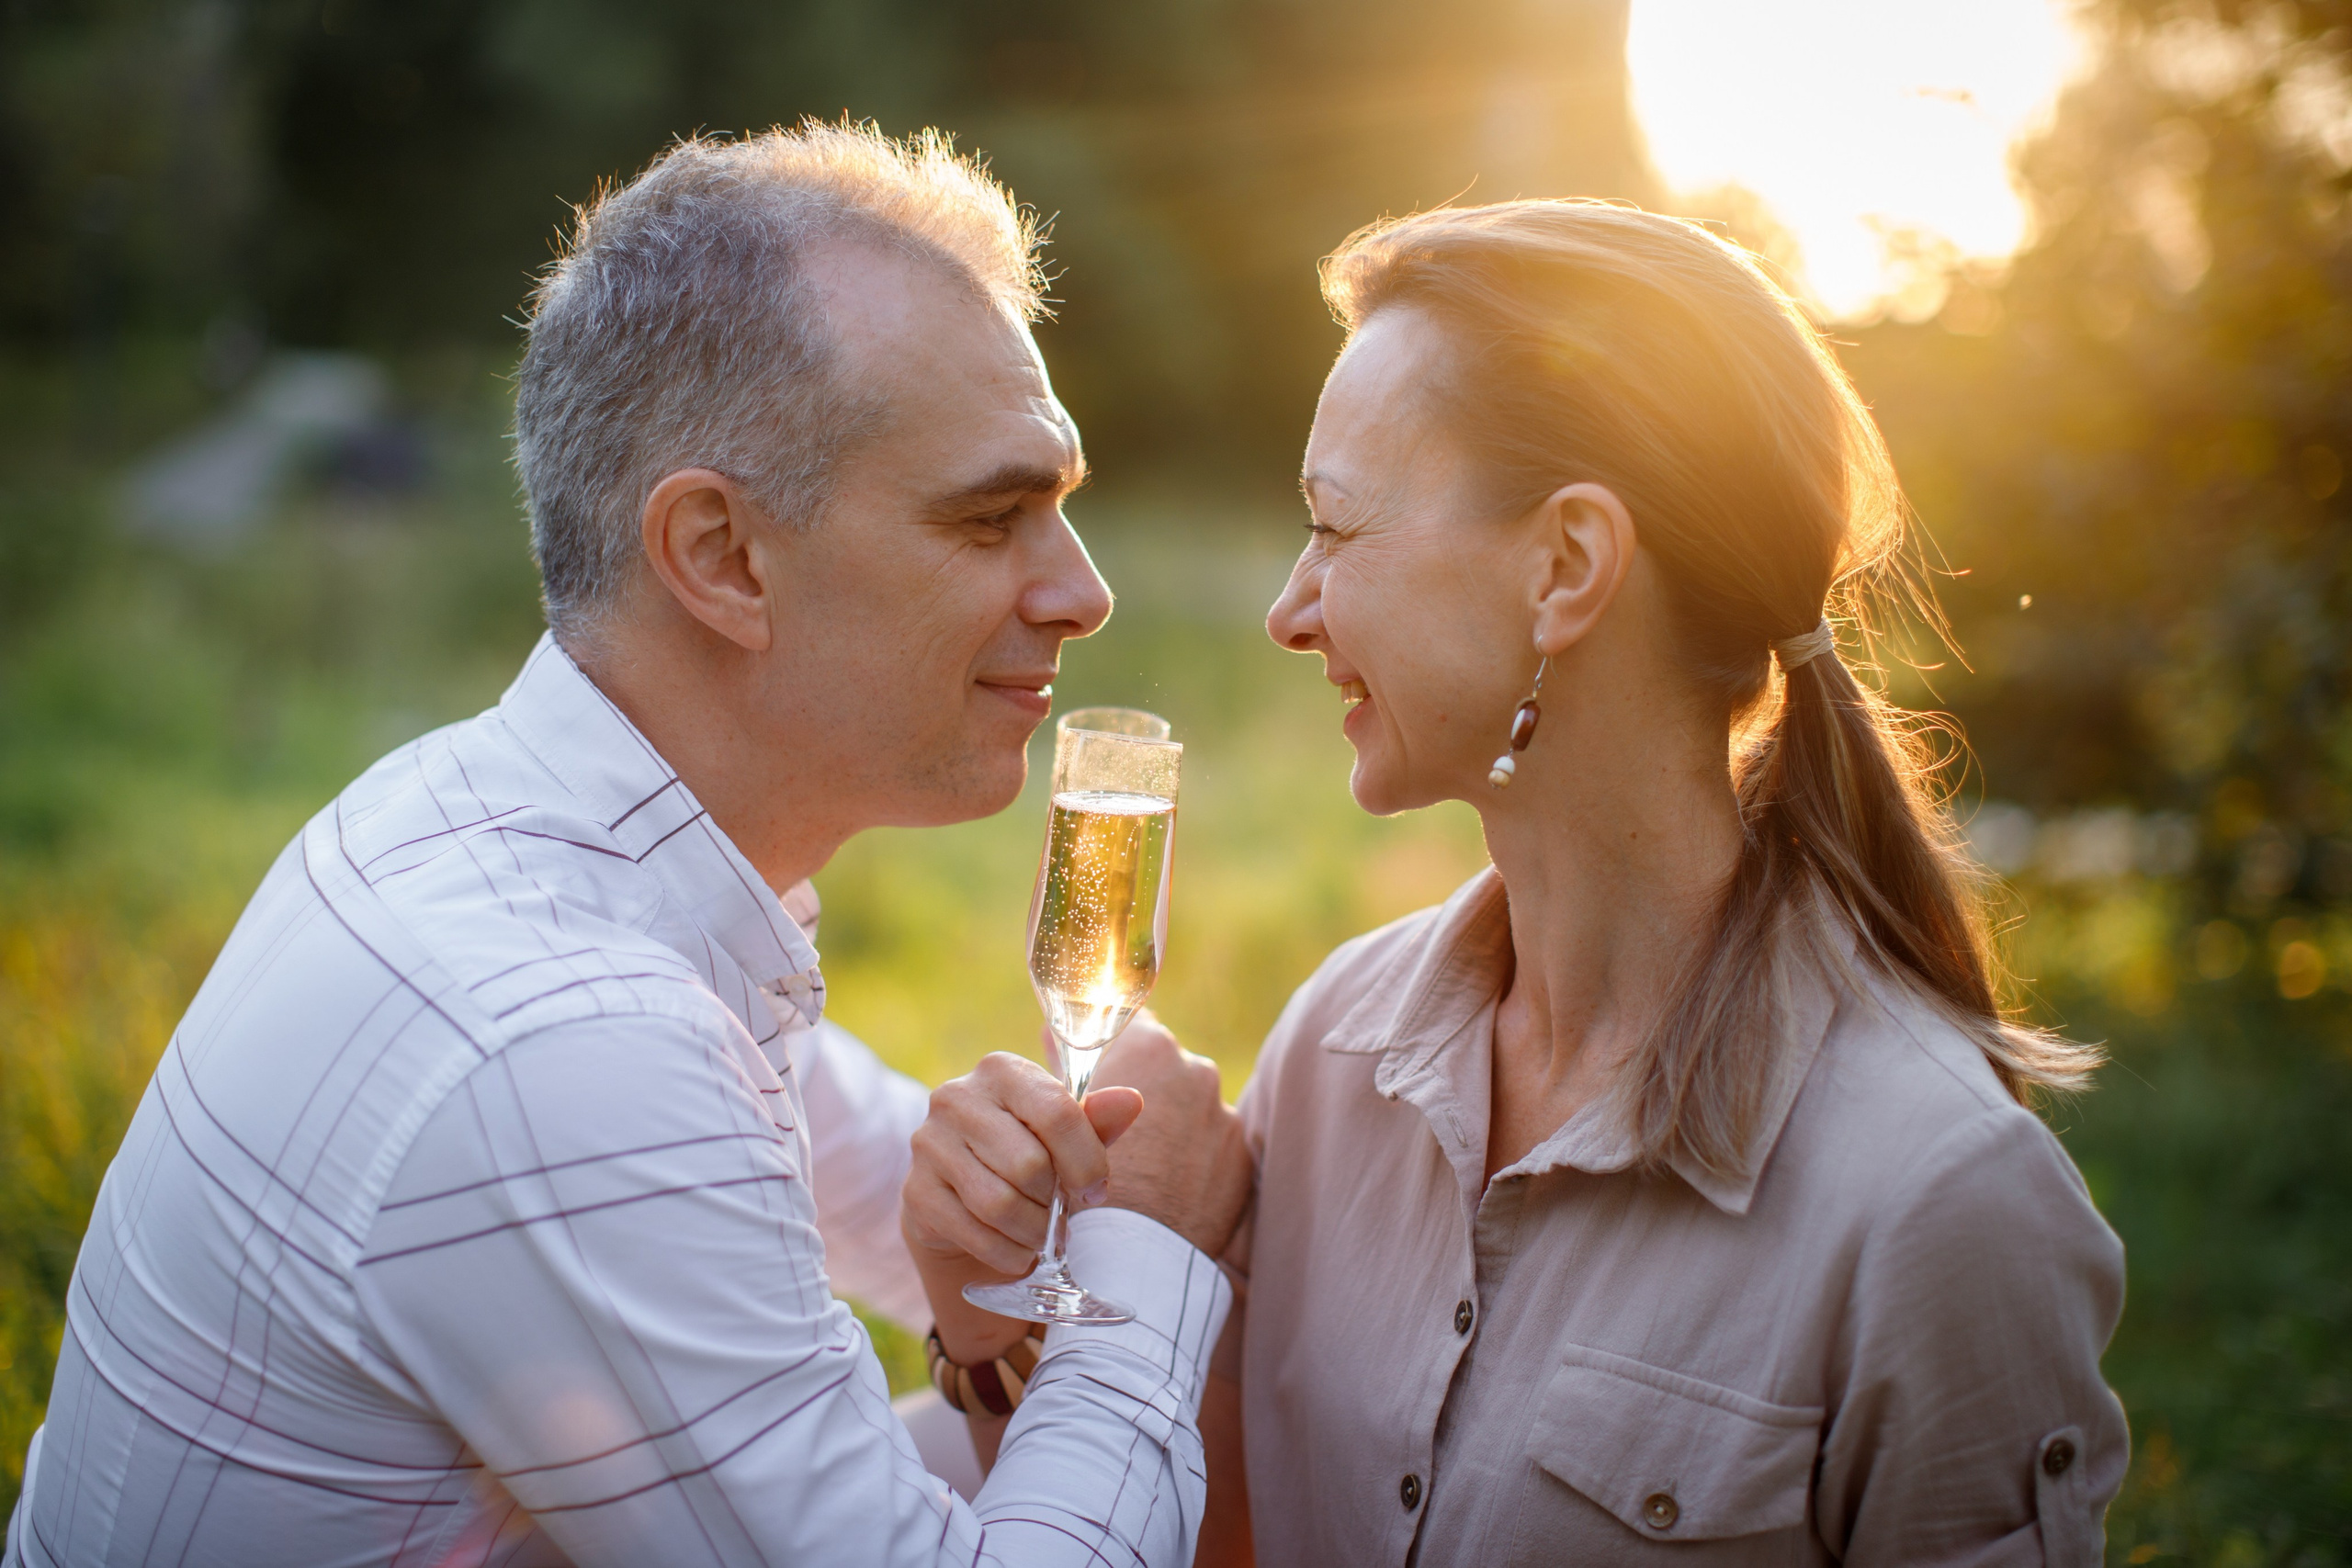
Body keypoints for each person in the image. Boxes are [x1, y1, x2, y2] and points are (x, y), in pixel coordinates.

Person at [3, 122, 1250, 1568]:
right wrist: (1147, 1252)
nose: (1085, 593)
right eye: (992, 517)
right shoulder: (567, 1033)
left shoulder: (518, 830)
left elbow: (876, 1174)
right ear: (720, 557)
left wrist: (992, 1294)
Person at [914, 200, 2130, 1566]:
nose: (1288, 609)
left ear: (1565, 569)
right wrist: (979, 1321)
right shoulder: (1331, 1052)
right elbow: (1208, 1528)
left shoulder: (1945, 1206)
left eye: (1335, 527)